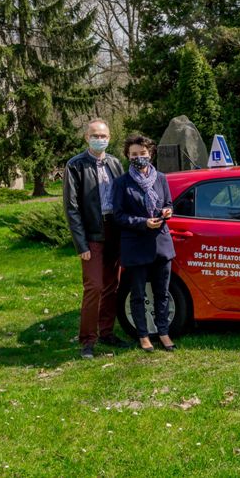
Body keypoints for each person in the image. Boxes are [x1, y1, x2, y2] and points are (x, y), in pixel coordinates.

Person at [63, 119, 129, 359]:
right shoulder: (75, 165)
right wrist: (81, 244)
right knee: (94, 287)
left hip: (114, 230)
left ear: (109, 138)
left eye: (103, 136)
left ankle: (107, 333)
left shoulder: (114, 163)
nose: (100, 139)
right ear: (86, 138)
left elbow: (124, 196)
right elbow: (72, 208)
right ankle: (88, 340)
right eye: (95, 135)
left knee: (112, 285)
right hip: (92, 233)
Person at [111, 134, 176, 353]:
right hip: (136, 245)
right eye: (134, 154)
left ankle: (163, 332)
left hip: (161, 244)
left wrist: (167, 211)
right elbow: (118, 216)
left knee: (162, 292)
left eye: (143, 153)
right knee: (138, 294)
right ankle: (143, 334)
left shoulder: (161, 179)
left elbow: (168, 203)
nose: (139, 157)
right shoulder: (121, 183)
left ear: (150, 154)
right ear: (128, 156)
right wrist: (142, 223)